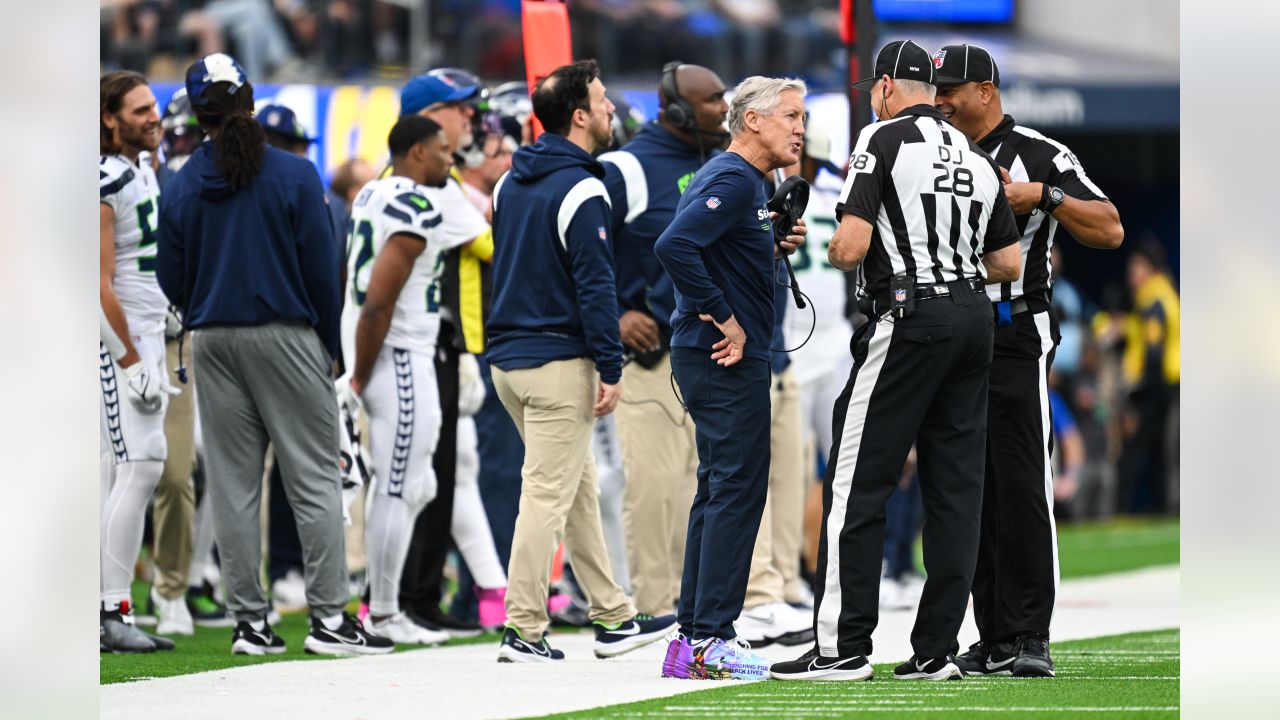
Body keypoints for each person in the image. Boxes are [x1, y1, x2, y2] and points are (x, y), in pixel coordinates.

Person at [769, 39, 1022, 683]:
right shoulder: (973, 151)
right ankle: (935, 650)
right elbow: (1008, 263)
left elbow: (849, 246)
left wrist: (839, 250)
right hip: (972, 319)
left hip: (910, 318)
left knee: (855, 481)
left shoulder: (879, 140)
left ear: (885, 88)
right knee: (955, 491)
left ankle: (842, 646)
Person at [155, 53, 391, 657]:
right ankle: (330, 621)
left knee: (234, 486)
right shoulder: (292, 174)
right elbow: (321, 267)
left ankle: (248, 625)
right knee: (313, 478)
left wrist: (204, 308)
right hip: (284, 332)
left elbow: (169, 276)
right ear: (251, 100)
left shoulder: (182, 184)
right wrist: (329, 348)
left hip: (211, 337)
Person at [932, 43, 1124, 677]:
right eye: (936, 91)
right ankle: (990, 631)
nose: (941, 102)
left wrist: (1044, 196)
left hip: (1014, 328)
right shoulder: (933, 147)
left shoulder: (1038, 153)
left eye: (952, 90)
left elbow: (1109, 226)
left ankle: (1029, 631)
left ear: (987, 89)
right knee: (968, 487)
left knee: (1021, 481)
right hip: (950, 331)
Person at [486, 59, 677, 663]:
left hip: (508, 362)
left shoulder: (506, 183)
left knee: (576, 489)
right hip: (557, 364)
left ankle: (613, 615)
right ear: (578, 115)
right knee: (547, 492)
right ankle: (524, 627)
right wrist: (612, 367)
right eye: (601, 101)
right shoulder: (585, 187)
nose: (611, 109)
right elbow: (596, 287)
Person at [653, 74, 809, 681]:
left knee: (721, 490)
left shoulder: (745, 183)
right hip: (722, 354)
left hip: (712, 353)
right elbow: (674, 246)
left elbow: (707, 247)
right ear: (753, 121)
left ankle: (692, 637)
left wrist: (766, 245)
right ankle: (709, 639)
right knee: (736, 491)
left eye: (801, 117)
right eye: (790, 115)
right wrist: (727, 318)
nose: (800, 127)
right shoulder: (733, 177)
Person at [597, 62, 728, 621]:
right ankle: (653, 608)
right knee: (650, 487)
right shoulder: (624, 167)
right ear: (676, 112)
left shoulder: (725, 164)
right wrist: (617, 313)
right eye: (714, 100)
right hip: (648, 355)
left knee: (708, 486)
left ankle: (705, 607)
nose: (725, 108)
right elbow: (581, 254)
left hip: (711, 349)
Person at [339, 114, 464, 645]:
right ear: (416, 152)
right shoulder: (414, 206)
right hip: (397, 355)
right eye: (443, 150)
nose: (450, 158)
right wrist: (359, 378)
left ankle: (387, 608)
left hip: (387, 352)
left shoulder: (371, 191)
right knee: (400, 486)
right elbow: (377, 305)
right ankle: (384, 612)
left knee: (415, 485)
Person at [389, 67, 494, 639]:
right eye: (460, 109)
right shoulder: (427, 181)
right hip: (419, 344)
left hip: (438, 344)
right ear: (430, 119)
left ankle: (418, 595)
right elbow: (489, 243)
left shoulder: (421, 178)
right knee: (418, 478)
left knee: (438, 476)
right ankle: (403, 599)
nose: (470, 119)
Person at [100, 70, 180, 654]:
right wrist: (128, 356)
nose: (154, 116)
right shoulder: (104, 175)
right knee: (140, 465)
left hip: (146, 333)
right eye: (139, 109)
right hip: (116, 341)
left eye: (153, 106)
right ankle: (109, 609)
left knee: (118, 471)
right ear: (110, 120)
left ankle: (103, 608)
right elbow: (94, 277)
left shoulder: (140, 169)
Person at [1119, 241, 1178, 515]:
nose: (1131, 274)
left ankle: (1128, 508)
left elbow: (1154, 348)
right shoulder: (1163, 294)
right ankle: (1161, 507)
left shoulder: (1153, 298)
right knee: (1158, 450)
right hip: (1165, 386)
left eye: (1136, 267)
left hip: (1158, 388)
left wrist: (1138, 393)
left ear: (1149, 269)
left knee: (1142, 449)